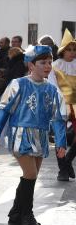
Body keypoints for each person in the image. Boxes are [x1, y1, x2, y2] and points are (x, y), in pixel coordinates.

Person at [0, 45, 67, 225]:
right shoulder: (18, 84)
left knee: (32, 176)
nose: (47, 66)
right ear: (31, 65)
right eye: (42, 62)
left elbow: (58, 117)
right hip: (21, 135)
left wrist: (61, 142)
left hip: (41, 136)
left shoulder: (52, 90)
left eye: (49, 62)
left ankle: (16, 213)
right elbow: (3, 109)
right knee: (30, 174)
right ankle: (27, 215)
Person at [48, 29, 76, 181]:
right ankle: (63, 170)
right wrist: (62, 102)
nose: (72, 52)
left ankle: (68, 161)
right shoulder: (55, 66)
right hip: (60, 104)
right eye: (69, 50)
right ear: (63, 51)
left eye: (74, 49)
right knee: (60, 136)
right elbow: (53, 86)